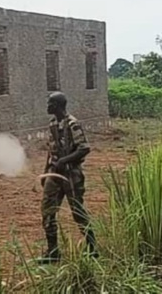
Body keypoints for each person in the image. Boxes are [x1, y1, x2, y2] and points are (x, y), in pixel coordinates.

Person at [39, 91, 97, 263]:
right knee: (47, 211)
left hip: (71, 174)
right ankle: (53, 252)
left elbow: (84, 148)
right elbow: (51, 151)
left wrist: (64, 161)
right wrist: (46, 171)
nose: (47, 106)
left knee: (77, 211)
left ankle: (92, 248)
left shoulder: (73, 124)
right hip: (55, 173)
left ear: (56, 106)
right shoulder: (52, 124)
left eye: (50, 103)